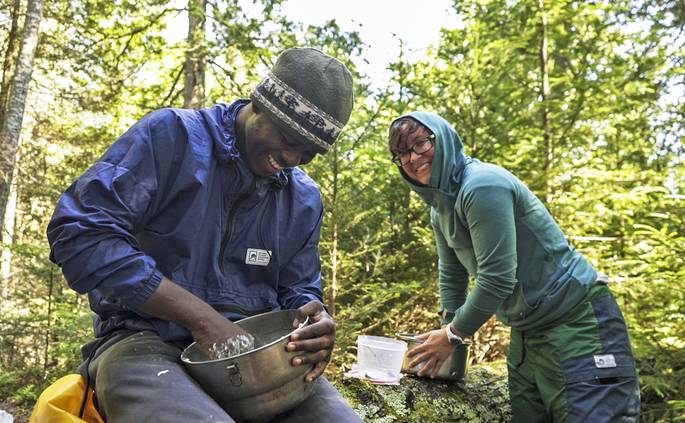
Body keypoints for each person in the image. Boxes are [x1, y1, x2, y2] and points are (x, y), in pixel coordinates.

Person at [47, 47, 363, 422]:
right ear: (260, 104)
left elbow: (299, 288)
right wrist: (202, 318)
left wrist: (315, 318)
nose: (293, 159)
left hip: (262, 359)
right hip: (145, 341)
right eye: (289, 138)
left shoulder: (303, 198)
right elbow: (80, 233)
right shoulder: (173, 138)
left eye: (310, 152)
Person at [388, 111, 640, 422]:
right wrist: (447, 326)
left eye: (420, 144)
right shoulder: (440, 208)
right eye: (400, 154)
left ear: (444, 139)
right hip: (527, 334)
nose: (412, 159)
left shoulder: (481, 186)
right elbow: (452, 275)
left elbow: (497, 279)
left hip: (577, 322)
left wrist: (454, 334)